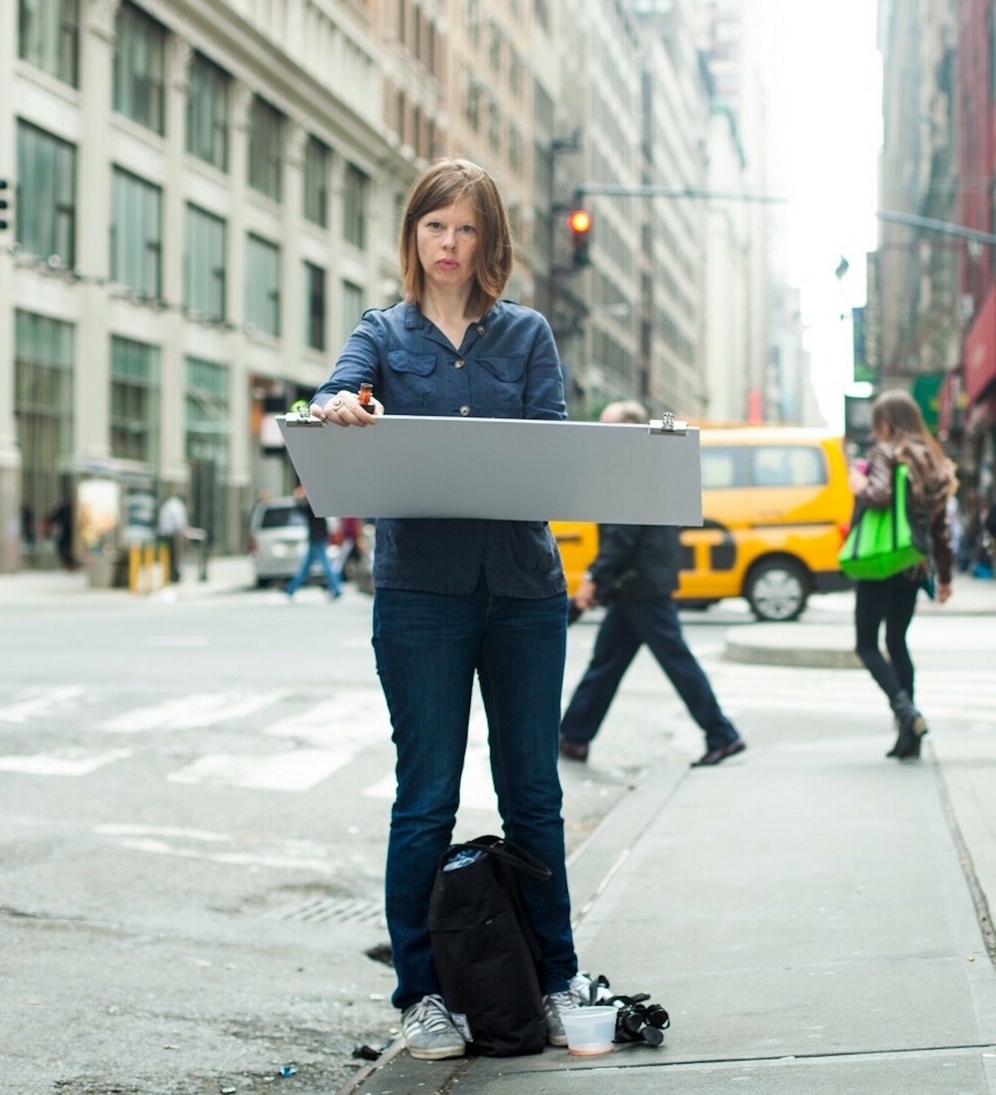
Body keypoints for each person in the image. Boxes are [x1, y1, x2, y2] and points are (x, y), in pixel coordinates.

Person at [308, 157, 583, 1059]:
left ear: (488, 240)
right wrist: (340, 405)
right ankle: (421, 993)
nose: (450, 245)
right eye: (436, 227)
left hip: (522, 593)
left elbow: (551, 448)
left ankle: (556, 975)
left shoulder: (528, 335)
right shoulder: (382, 333)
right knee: (424, 799)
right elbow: (331, 391)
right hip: (421, 594)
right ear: (414, 235)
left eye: (466, 228)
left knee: (533, 793)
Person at [558, 400, 747, 768]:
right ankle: (574, 736)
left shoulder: (631, 466)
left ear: (629, 428)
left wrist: (593, 579)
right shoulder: (647, 462)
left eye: (608, 426)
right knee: (607, 663)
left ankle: (722, 734)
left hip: (640, 584)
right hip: (639, 583)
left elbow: (622, 535)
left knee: (675, 661)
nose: (600, 434)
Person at [847, 388, 956, 759]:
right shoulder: (933, 460)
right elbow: (939, 528)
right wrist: (944, 578)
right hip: (914, 564)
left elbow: (877, 495)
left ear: (888, 422)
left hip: (882, 562)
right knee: (896, 642)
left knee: (866, 643)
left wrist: (860, 486)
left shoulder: (886, 453)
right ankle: (908, 738)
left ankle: (906, 713)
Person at [284, 483, 343, 599]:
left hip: (317, 538)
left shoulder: (313, 502)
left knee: (325, 565)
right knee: (307, 566)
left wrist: (298, 497)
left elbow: (300, 509)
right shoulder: (314, 501)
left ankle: (336, 588)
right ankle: (291, 588)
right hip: (316, 537)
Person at [157, 493, 189, 583]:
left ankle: (168, 574)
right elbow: (179, 523)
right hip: (170, 534)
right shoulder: (178, 506)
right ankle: (173, 575)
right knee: (174, 555)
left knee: (167, 555)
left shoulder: (169, 503)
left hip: (163, 534)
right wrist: (184, 533)